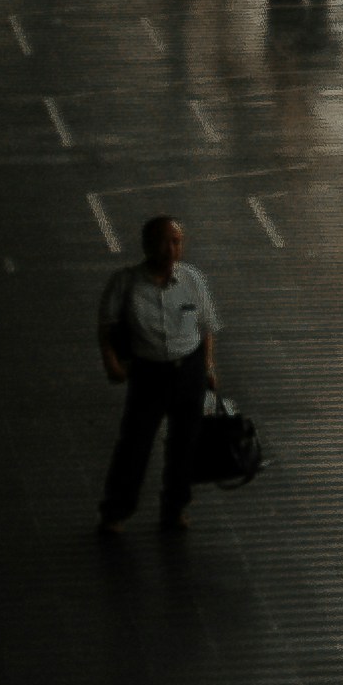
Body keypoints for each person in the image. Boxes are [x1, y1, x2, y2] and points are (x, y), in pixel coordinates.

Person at [95, 211, 225, 541]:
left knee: (185, 444)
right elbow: (107, 327)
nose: (171, 249)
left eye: (177, 242)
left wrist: (208, 366)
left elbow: (206, 327)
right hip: (149, 374)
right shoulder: (126, 283)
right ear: (147, 245)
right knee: (135, 444)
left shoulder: (192, 279)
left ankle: (175, 508)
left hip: (189, 370)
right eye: (165, 242)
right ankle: (115, 511)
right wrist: (112, 362)